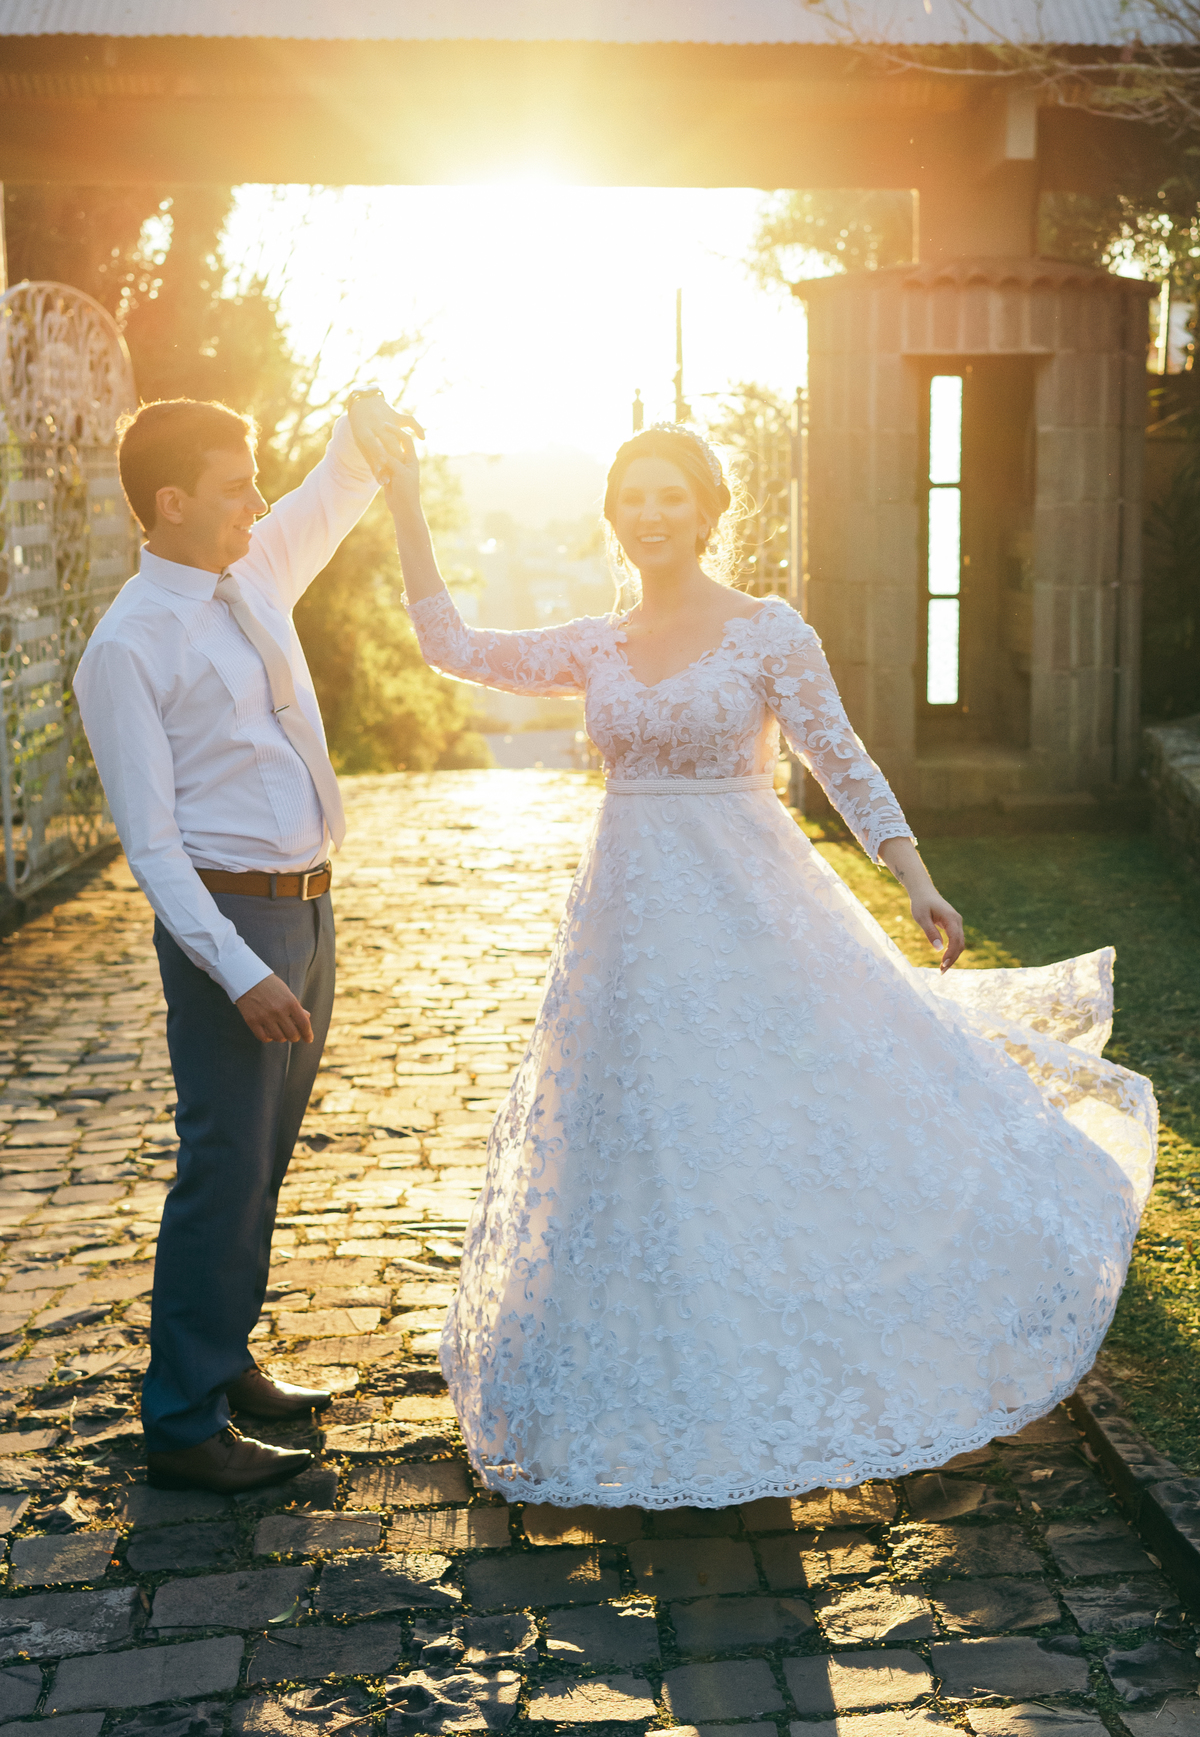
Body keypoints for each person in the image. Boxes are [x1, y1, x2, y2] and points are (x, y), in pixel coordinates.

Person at [384, 418, 1157, 1510]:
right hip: (627, 928)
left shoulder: (768, 630)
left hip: (750, 909)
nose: (650, 514)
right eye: (632, 497)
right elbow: (453, 646)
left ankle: (814, 1349)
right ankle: (663, 1381)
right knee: (641, 1136)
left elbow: (837, 752)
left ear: (707, 510)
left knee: (778, 1118)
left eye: (669, 495)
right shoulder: (597, 643)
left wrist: (914, 875)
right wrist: (405, 495)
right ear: (613, 515)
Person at [75, 389, 414, 1493]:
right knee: (223, 1165)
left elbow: (327, 495)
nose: (257, 504)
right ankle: (181, 1422)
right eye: (235, 487)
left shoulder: (251, 568)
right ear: (172, 503)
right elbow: (151, 843)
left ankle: (223, 1362)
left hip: (309, 906)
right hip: (232, 924)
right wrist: (237, 967)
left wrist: (362, 431)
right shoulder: (127, 646)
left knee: (261, 1162)